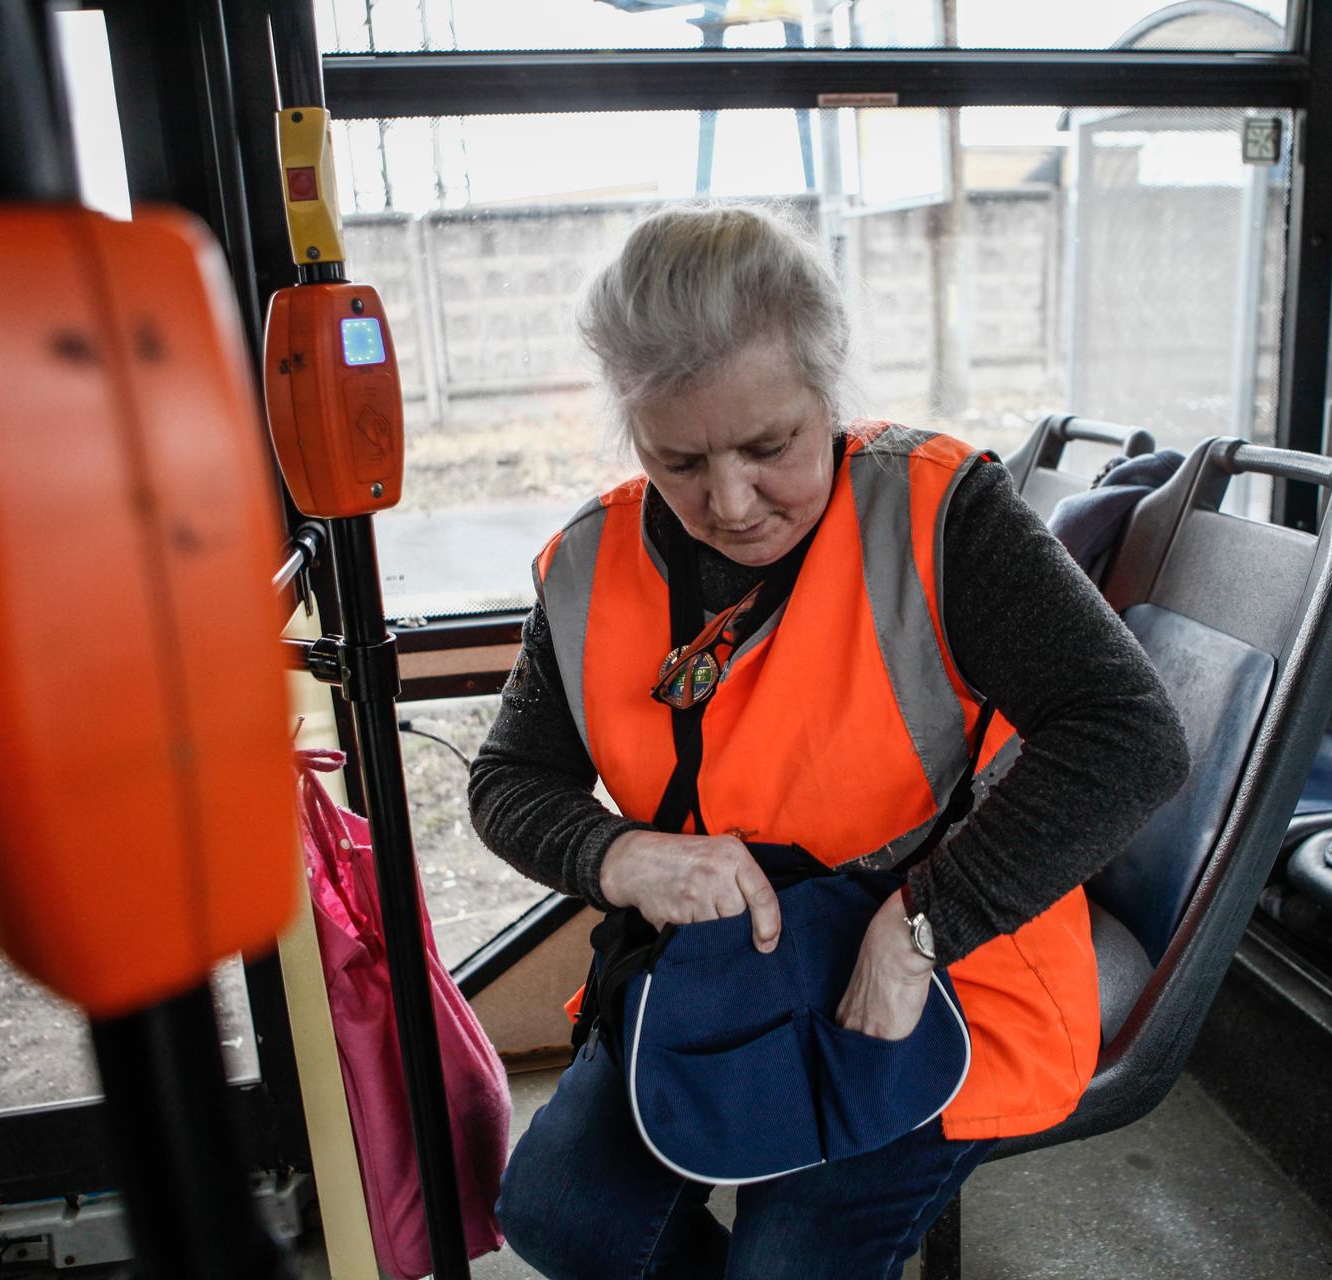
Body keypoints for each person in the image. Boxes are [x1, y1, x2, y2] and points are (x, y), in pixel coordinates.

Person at [468, 204, 1189, 1280]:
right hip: (717, 979)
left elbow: (1131, 737)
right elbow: (507, 781)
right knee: (557, 1210)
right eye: (679, 460)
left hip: (942, 969)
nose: (730, 501)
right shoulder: (587, 566)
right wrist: (622, 855)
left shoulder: (940, 514)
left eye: (771, 447)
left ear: (830, 395)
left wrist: (922, 927)